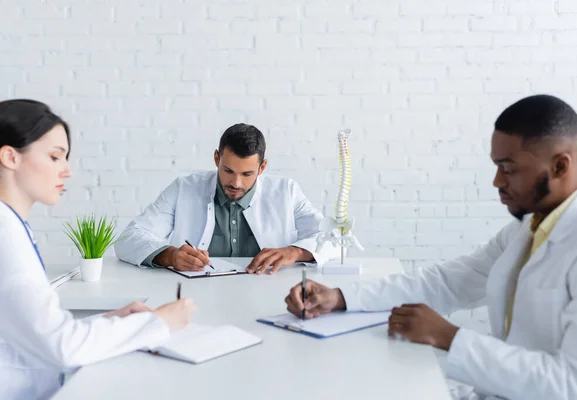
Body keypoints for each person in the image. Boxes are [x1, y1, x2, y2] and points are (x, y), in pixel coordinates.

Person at [284, 95, 577, 400]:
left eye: (509, 168)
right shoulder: (530, 226)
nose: (497, 181)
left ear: (560, 166)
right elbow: (448, 281)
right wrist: (339, 297)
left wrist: (450, 337)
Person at [0, 99, 196, 400]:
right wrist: (157, 323)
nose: (67, 171)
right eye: (55, 157)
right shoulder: (5, 235)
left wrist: (110, 321)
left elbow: (29, 335)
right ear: (10, 157)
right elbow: (62, 348)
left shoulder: (11, 225)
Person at [115, 123, 337, 275]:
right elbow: (127, 240)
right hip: (197, 298)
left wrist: (295, 251)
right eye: (228, 170)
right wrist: (170, 255)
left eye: (247, 174)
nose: (236, 183)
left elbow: (335, 239)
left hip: (269, 294)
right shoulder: (184, 188)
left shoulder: (286, 191)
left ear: (262, 167)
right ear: (216, 158)